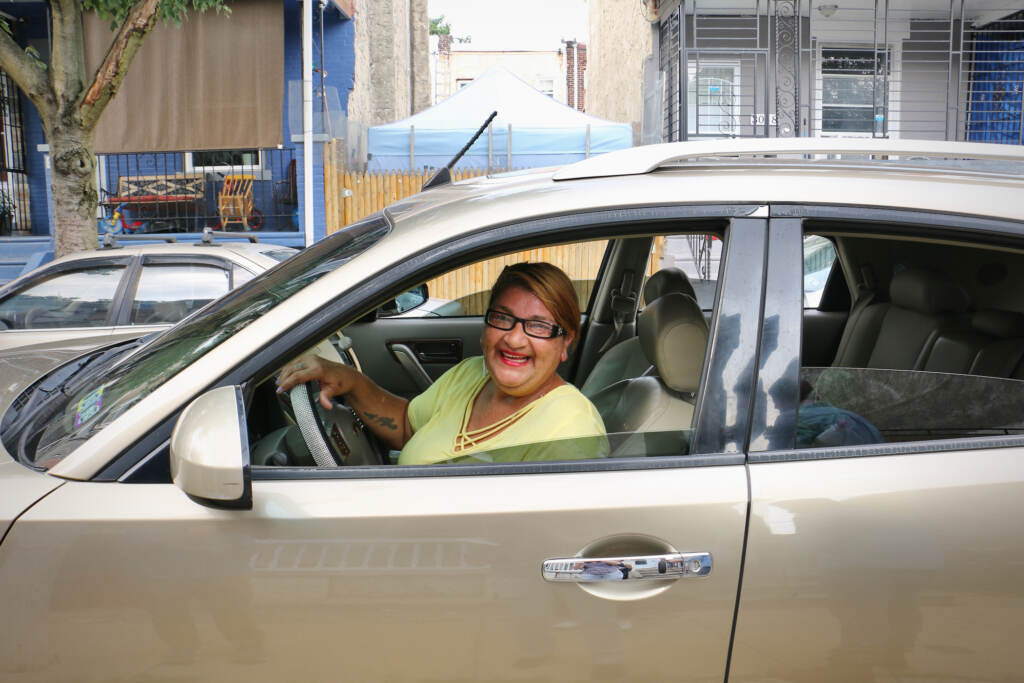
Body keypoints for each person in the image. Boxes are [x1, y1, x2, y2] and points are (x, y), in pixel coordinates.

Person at [276, 262, 608, 464]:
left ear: (565, 342)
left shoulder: (571, 428)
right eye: (502, 318)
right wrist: (346, 379)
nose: (514, 339)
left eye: (538, 326)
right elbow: (408, 427)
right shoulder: (470, 374)